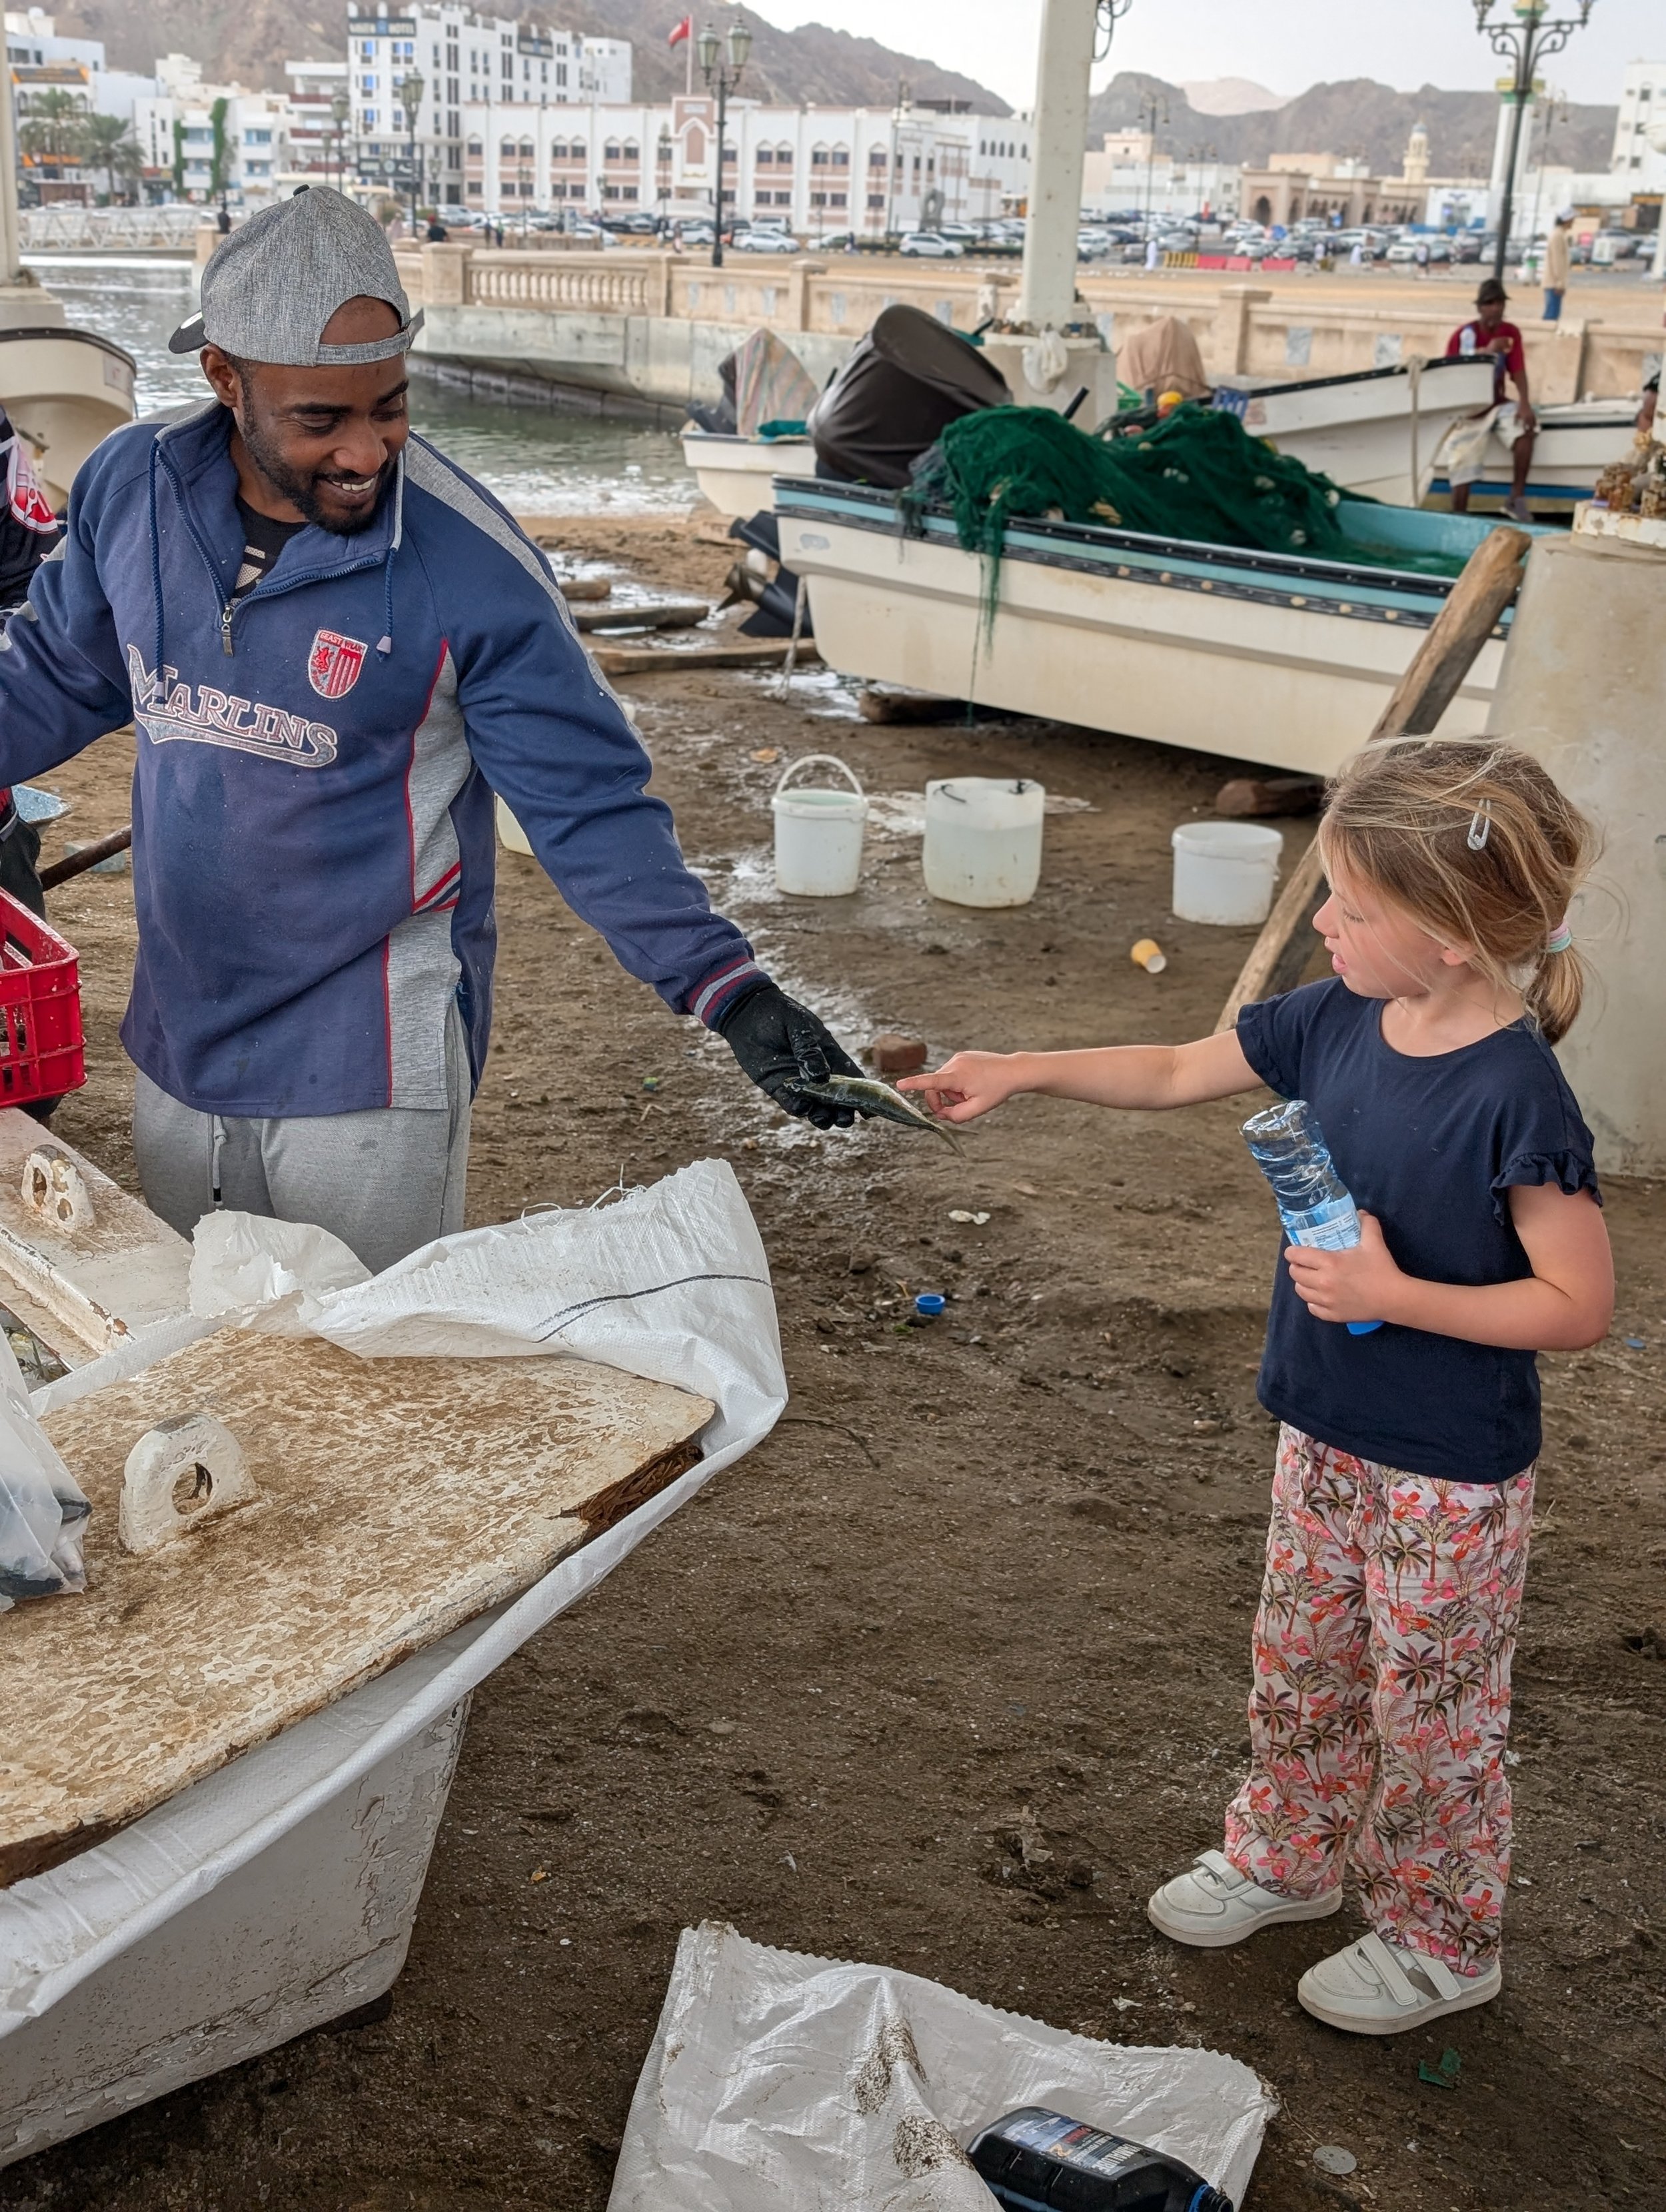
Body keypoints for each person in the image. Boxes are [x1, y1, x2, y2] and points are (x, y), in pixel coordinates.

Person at [0, 187, 865, 1271]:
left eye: (391, 406)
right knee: (208, 1329)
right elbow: (53, 673)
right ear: (225, 378)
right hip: (183, 1028)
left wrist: (729, 990)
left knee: (361, 1353)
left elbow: (586, 805)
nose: (368, 451)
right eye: (322, 419)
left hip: (369, 1060)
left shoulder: (468, 567)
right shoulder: (133, 487)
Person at [902, 737, 1613, 2036]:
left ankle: (1440, 1936)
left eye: (1352, 905)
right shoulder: (1336, 1014)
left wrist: (1395, 1292)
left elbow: (1577, 1304)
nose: (1323, 921)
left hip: (1449, 1477)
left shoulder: (1517, 1095)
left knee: (1432, 1709)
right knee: (1302, 1664)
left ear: (1451, 936)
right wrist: (1019, 1068)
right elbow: (1180, 1067)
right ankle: (1289, 1855)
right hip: (1322, 1431)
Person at [1445, 277, 1536, 523]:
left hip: (1497, 403)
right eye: (1490, 304)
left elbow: (1518, 370)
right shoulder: (1463, 335)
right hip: (1469, 411)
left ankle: (1516, 497)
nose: (1496, 309)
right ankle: (1459, 516)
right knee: (1463, 458)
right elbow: (1452, 370)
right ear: (1480, 307)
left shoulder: (1511, 333)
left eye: (1500, 303)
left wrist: (1525, 403)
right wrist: (1487, 351)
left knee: (1526, 429)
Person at [1542, 208, 1573, 322]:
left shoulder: (1559, 234)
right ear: (1566, 220)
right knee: (1551, 317)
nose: (1573, 222)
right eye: (1572, 220)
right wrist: (1560, 283)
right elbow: (1557, 261)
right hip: (1554, 283)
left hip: (1554, 282)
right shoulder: (1558, 236)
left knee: (1553, 314)